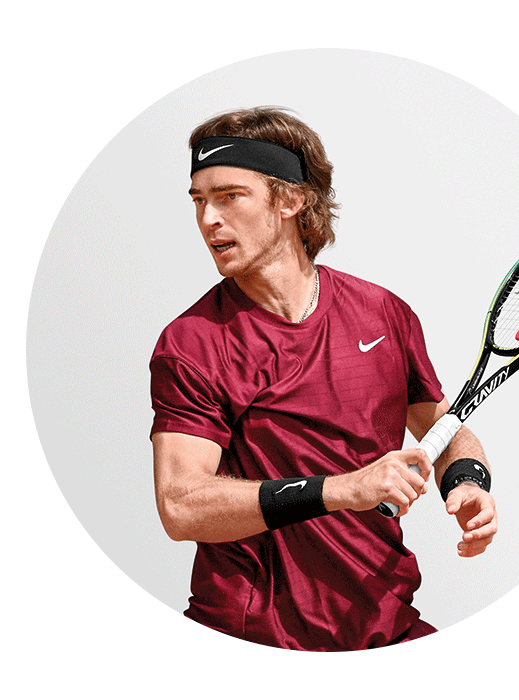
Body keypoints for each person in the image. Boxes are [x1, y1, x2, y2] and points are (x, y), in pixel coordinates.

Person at [149, 107, 498, 651]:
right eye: (198, 200)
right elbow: (181, 505)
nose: (208, 219)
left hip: (386, 626)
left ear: (290, 200)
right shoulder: (192, 343)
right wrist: (343, 490)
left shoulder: (383, 313)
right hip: (253, 640)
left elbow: (442, 428)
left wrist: (467, 482)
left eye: (230, 196)